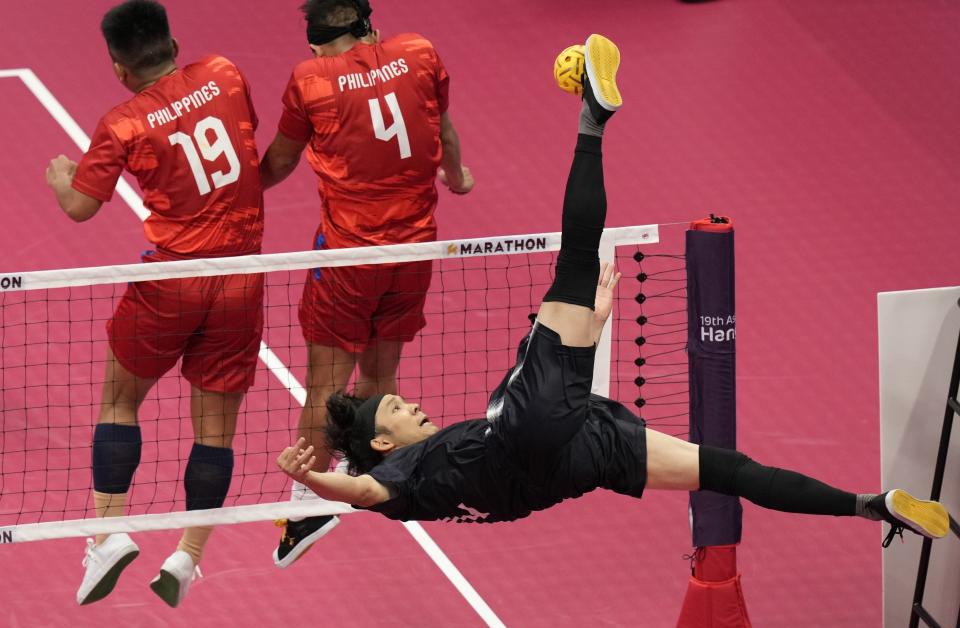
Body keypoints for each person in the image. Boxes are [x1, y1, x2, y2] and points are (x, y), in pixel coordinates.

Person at [276, 34, 951, 550]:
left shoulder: (415, 485)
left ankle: (869, 504)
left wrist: (578, 337)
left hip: (571, 464)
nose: (411, 403)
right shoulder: (394, 481)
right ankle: (593, 117)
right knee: (574, 263)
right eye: (395, 407)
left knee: (730, 471)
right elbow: (354, 487)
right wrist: (309, 480)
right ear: (385, 442)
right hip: (528, 428)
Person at [45, 0, 265, 607]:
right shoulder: (224, 71)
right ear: (174, 41)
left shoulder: (123, 121)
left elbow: (81, 208)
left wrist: (61, 178)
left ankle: (109, 533)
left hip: (172, 282)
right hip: (244, 278)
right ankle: (187, 558)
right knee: (216, 428)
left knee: (120, 399)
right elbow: (244, 148)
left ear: (118, 67)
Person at [259, 0, 473, 567]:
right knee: (381, 373)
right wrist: (458, 174)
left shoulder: (310, 79)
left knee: (324, 384)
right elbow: (443, 129)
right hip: (416, 250)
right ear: (370, 25)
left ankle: (307, 504)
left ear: (314, 44)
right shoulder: (419, 52)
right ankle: (389, 478)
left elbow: (279, 162)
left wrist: (235, 192)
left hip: (351, 257)